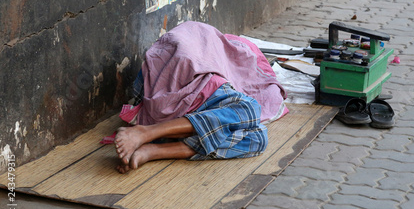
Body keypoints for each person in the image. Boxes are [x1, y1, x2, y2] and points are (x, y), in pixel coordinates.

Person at [114, 21, 287, 173]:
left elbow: (233, 70)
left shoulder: (237, 56)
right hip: (193, 83)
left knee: (257, 138)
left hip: (200, 109)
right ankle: (147, 132)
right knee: (249, 108)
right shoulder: (222, 42)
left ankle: (152, 151)